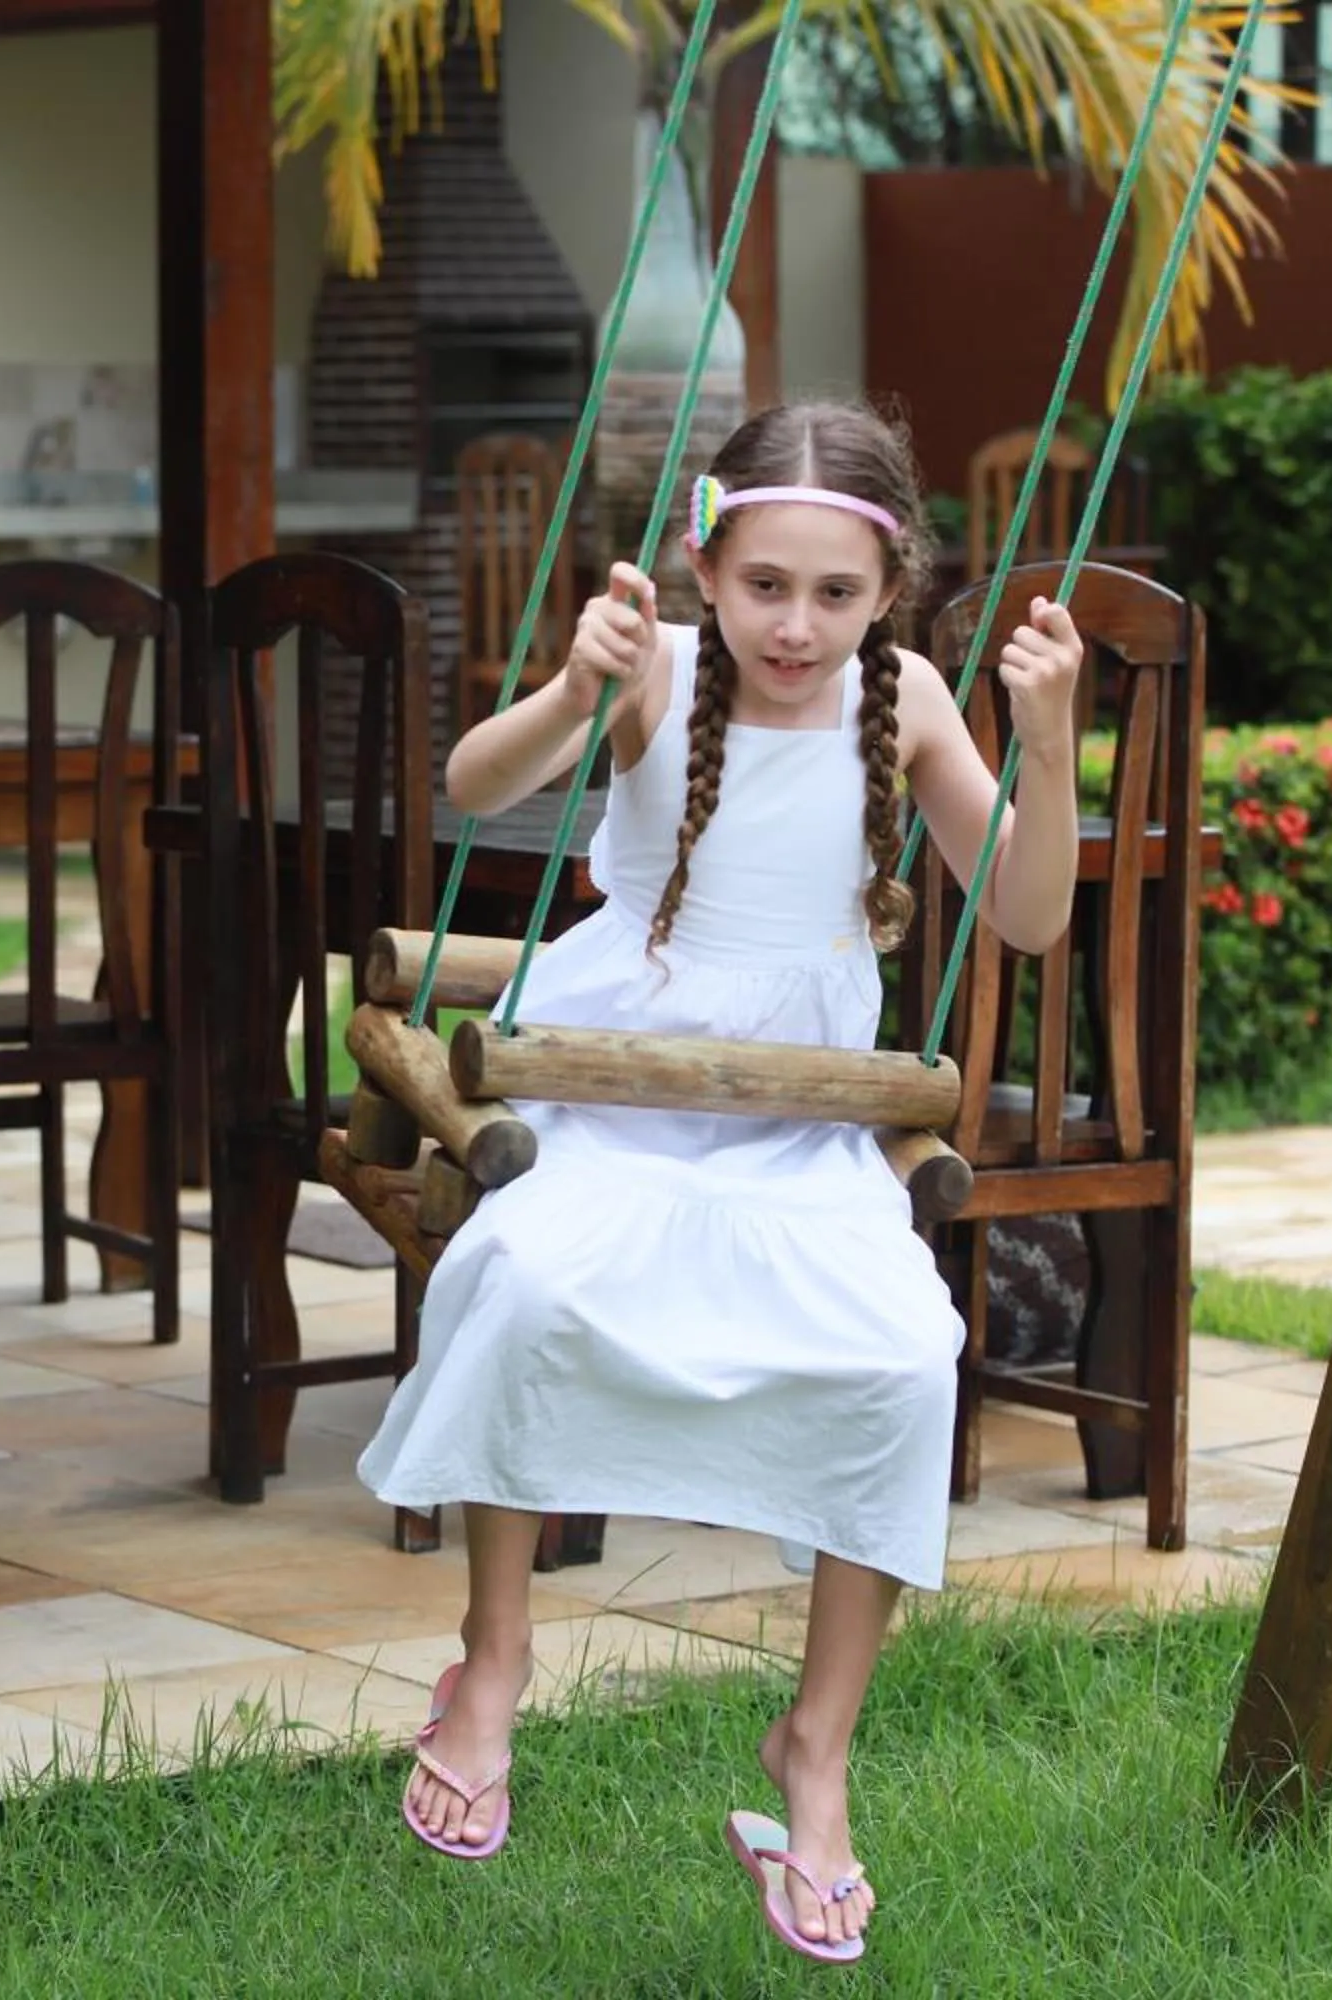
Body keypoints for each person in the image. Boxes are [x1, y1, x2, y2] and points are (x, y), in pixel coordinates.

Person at [356, 400, 1084, 1961]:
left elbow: (1026, 917)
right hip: (615, 1082)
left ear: (889, 590)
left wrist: (1050, 753)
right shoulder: (661, 674)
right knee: (526, 1281)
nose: (797, 627)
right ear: (706, 562)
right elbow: (479, 787)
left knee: (904, 1355)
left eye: (835, 594)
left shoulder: (915, 704)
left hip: (800, 1120)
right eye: (766, 586)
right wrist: (575, 681)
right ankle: (493, 1654)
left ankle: (813, 1751)